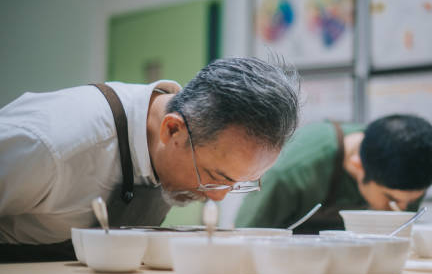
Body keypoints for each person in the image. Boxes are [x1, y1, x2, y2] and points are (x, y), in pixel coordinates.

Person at [0, 56, 300, 255]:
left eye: (240, 183)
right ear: (172, 131)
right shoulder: (50, 146)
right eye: (215, 177)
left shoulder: (170, 139)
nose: (218, 197)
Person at [235, 114, 432, 234]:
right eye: (391, 199)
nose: (401, 209)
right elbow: (245, 237)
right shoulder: (291, 172)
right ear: (357, 166)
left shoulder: (408, 167)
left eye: (412, 200)